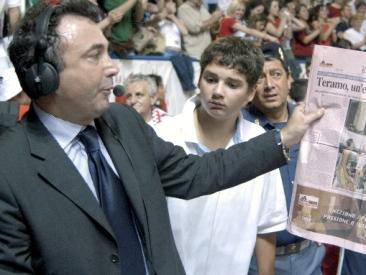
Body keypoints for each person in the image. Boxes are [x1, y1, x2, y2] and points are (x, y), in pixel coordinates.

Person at [1, 0, 324, 274]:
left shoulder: (123, 122)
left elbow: (197, 173)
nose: (112, 68)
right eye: (94, 56)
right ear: (43, 75)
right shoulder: (9, 168)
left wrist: (287, 136)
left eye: (108, 53)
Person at [155, 36, 286, 275]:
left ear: (250, 94)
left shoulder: (261, 144)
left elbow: (267, 226)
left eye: (232, 85)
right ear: (199, 78)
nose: (217, 92)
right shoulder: (163, 136)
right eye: (211, 79)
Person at [243, 44, 325, 275]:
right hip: (257, 263)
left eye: (276, 74)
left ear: (290, 80)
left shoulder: (312, 122)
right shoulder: (239, 130)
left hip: (310, 256)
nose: (269, 85)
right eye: (260, 78)